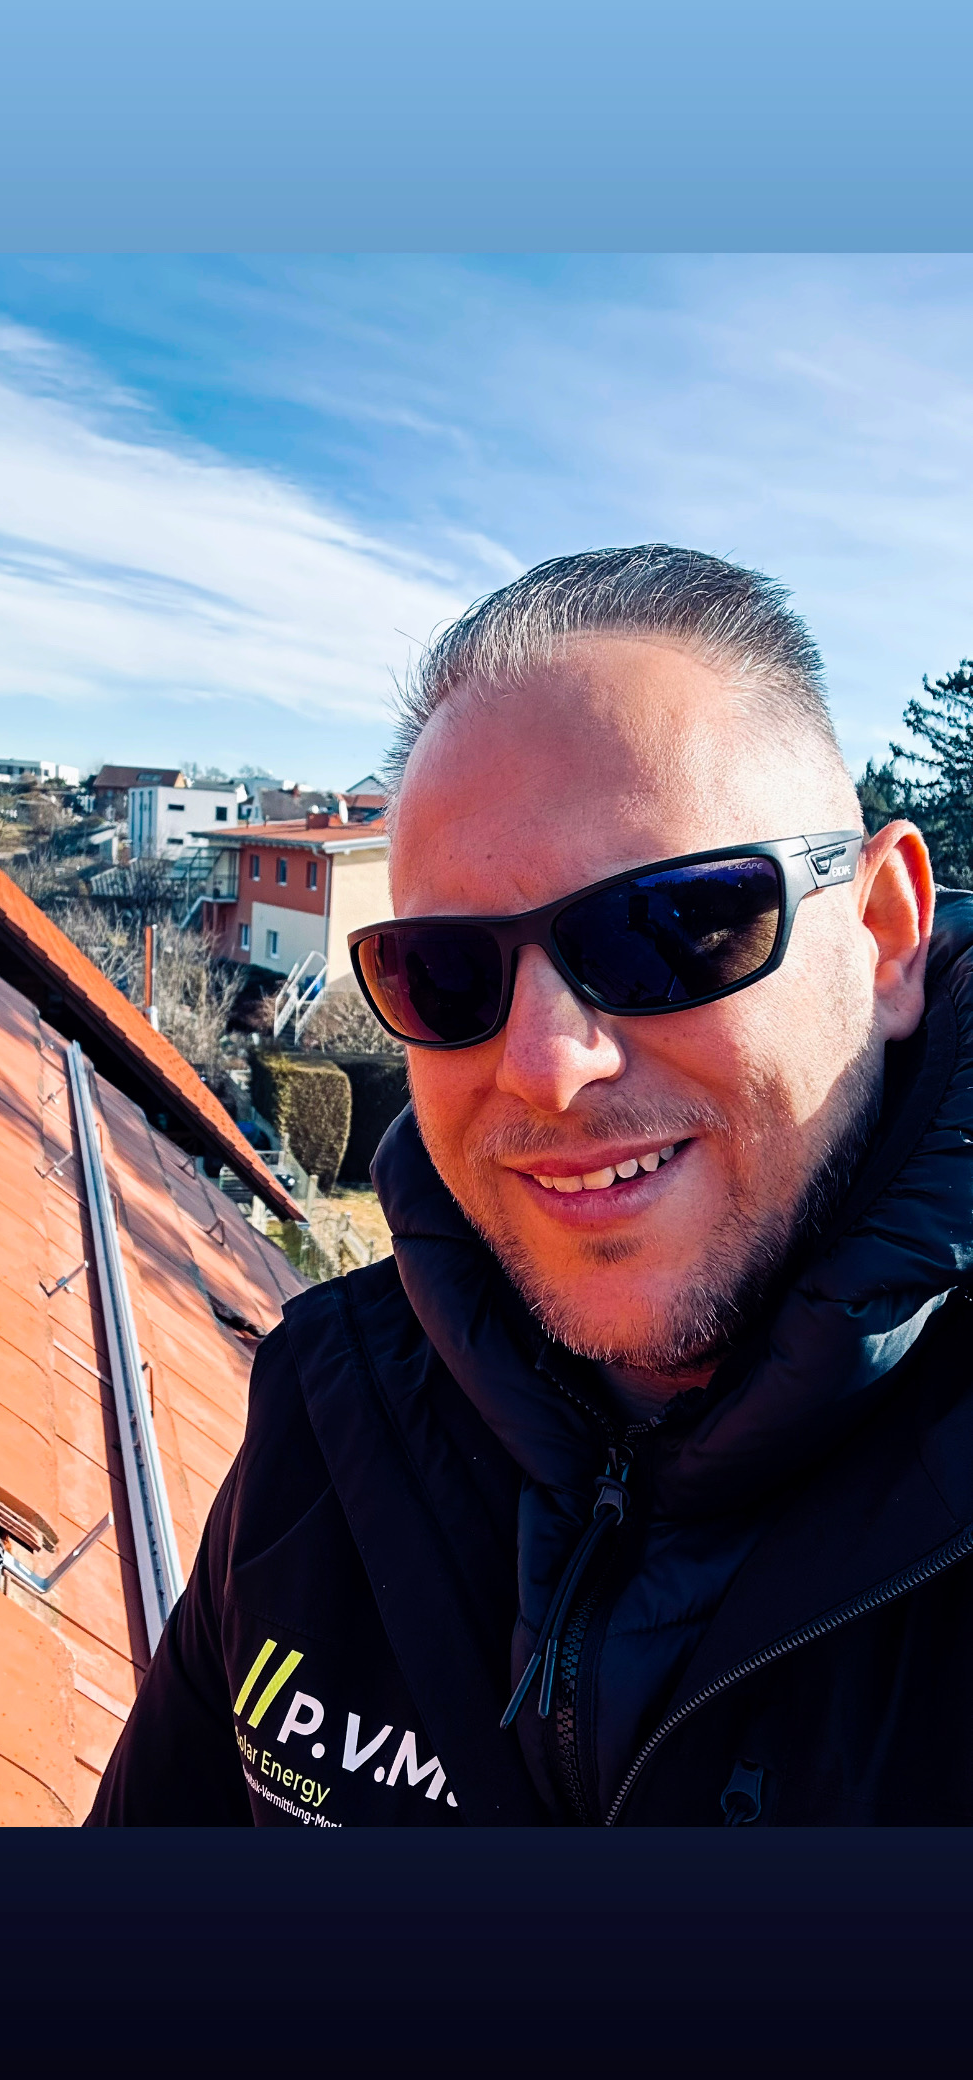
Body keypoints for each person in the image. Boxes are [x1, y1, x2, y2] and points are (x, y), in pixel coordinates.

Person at [89, 545, 973, 1828]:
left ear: (884, 933)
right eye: (445, 972)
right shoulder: (327, 1427)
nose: (549, 1068)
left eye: (671, 926)